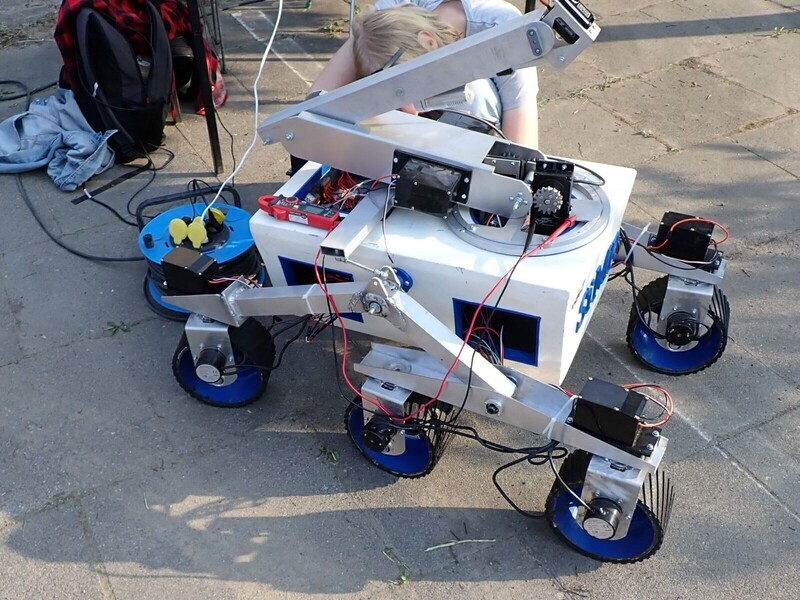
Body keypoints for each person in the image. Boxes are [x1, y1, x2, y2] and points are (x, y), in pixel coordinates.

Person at [309, 0, 540, 148]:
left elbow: (522, 147)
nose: (411, 110)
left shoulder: (503, 29)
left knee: (477, 94)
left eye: (411, 92)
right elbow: (315, 107)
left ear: (428, 41)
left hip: (482, 144)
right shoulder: (387, 16)